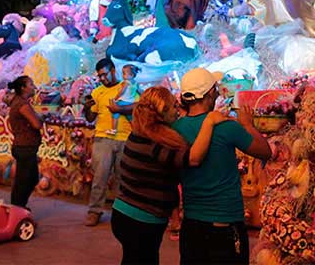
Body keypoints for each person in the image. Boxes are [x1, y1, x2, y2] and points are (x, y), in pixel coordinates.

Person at [111, 86, 228, 265]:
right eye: (174, 107)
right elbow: (193, 159)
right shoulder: (157, 142)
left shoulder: (139, 132)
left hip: (124, 215)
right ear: (162, 112)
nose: (178, 111)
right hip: (141, 221)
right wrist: (209, 122)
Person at [172, 68, 272, 265]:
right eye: (215, 88)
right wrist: (248, 125)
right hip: (225, 224)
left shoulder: (175, 129)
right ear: (210, 94)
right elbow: (265, 152)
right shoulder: (226, 127)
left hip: (191, 224)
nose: (218, 92)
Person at [83, 57, 135, 226]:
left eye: (105, 75)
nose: (103, 79)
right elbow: (91, 118)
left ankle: (122, 213)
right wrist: (86, 107)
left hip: (125, 138)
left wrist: (119, 109)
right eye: (100, 76)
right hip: (103, 138)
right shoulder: (98, 92)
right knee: (100, 177)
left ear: (113, 71)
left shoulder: (128, 87)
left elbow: (137, 106)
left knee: (123, 179)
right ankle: (94, 211)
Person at [6, 75, 42, 210]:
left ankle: (18, 206)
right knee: (25, 180)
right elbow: (37, 124)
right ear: (23, 88)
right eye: (31, 84)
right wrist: (41, 117)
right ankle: (17, 208)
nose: (34, 87)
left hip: (24, 147)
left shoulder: (18, 102)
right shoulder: (22, 104)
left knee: (28, 179)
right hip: (24, 147)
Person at [111, 64, 141, 133]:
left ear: (132, 75)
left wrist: (115, 98)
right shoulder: (136, 83)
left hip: (123, 101)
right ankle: (135, 131)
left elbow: (122, 92)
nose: (122, 76)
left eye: (124, 74)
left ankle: (113, 130)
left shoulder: (126, 82)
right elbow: (139, 91)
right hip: (130, 103)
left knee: (115, 113)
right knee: (130, 117)